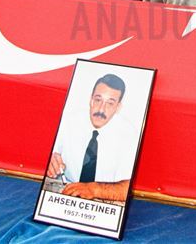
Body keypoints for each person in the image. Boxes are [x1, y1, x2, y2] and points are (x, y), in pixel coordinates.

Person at [46, 73, 134, 201]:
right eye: (98, 100)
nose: (101, 109)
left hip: (103, 199)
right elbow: (45, 155)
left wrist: (93, 189)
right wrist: (49, 160)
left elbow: (129, 187)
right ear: (91, 100)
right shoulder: (68, 121)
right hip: (66, 192)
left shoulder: (130, 135)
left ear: (117, 107)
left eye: (110, 103)